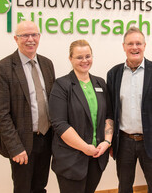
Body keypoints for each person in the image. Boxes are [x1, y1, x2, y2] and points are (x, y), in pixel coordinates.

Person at [107, 27, 152, 192]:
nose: (134, 47)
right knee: (124, 187)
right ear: (123, 46)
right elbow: (110, 112)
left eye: (138, 43)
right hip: (124, 142)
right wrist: (110, 142)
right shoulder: (114, 73)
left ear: (144, 46)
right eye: (130, 43)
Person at [0, 20, 55, 193]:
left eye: (34, 34)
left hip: (46, 138)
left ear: (39, 37)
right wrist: (15, 148)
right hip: (22, 142)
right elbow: (1, 114)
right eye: (24, 35)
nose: (30, 39)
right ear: (16, 39)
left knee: (40, 187)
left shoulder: (47, 64)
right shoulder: (2, 68)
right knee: (23, 189)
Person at [48, 39, 113, 193]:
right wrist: (85, 148)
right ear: (70, 59)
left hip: (97, 157)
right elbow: (60, 124)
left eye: (88, 56)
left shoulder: (100, 83)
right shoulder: (61, 85)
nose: (85, 61)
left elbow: (108, 116)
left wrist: (107, 141)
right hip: (71, 160)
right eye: (79, 57)